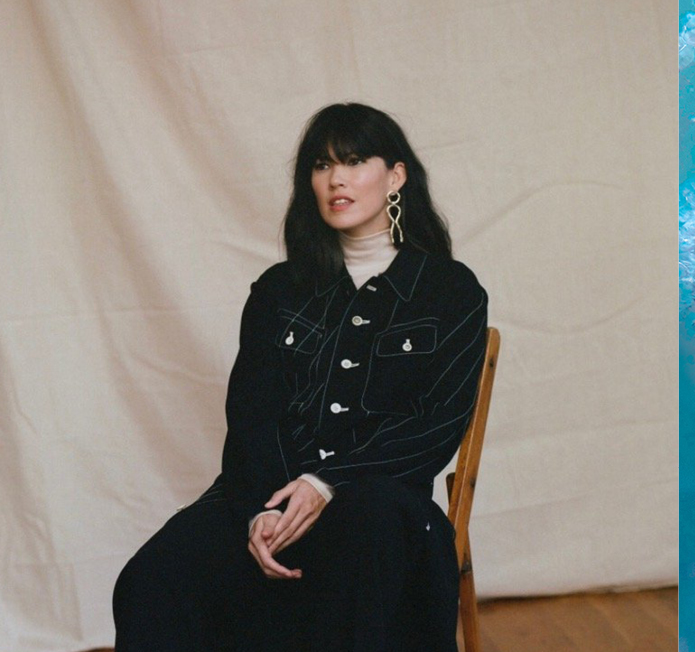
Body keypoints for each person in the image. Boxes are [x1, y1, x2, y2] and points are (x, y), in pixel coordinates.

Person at [113, 103, 488, 651]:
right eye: (321, 164)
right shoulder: (279, 290)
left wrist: (324, 484)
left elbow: (436, 424)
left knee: (365, 536)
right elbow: (251, 415)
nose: (336, 178)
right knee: (152, 579)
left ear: (397, 175)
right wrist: (266, 511)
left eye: (355, 161)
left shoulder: (449, 292)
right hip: (263, 492)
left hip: (381, 505)